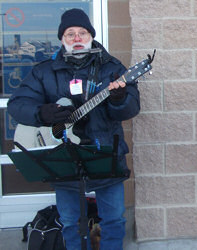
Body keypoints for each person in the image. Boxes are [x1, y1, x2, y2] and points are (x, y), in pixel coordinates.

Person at [7, 8, 140, 250]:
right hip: (63, 158)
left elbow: (130, 109)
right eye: (70, 34)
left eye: (82, 33)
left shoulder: (112, 68)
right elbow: (17, 105)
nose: (77, 38)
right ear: (62, 39)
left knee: (114, 220)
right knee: (70, 222)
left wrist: (120, 98)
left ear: (91, 36)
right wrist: (41, 113)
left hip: (105, 155)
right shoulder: (45, 71)